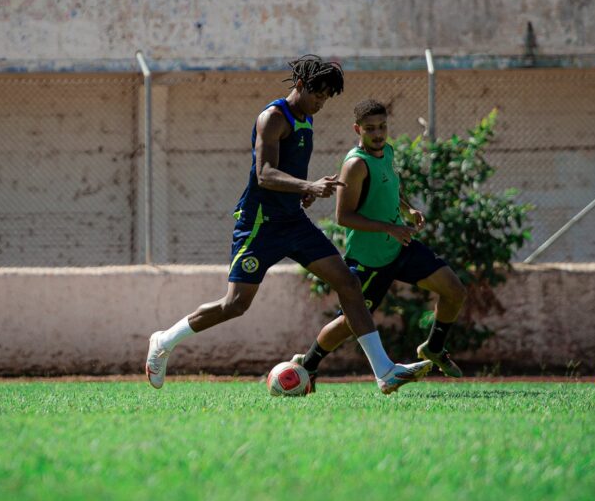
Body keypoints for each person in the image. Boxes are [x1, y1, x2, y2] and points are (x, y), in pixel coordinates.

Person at [145, 57, 433, 394]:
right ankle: (164, 341)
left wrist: (301, 195)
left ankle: (384, 372)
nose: (320, 103)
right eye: (316, 95)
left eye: (326, 98)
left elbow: (287, 172)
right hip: (259, 226)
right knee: (235, 305)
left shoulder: (306, 119)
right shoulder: (273, 118)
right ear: (299, 85)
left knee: (348, 283)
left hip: (293, 222)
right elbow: (265, 173)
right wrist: (307, 186)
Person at [292, 98, 467, 389]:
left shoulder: (386, 152)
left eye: (383, 127)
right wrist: (390, 227)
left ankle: (434, 347)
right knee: (349, 323)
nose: (378, 134)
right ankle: (308, 365)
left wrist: (407, 210)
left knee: (455, 291)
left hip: (399, 246)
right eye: (370, 128)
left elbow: (388, 189)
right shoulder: (355, 165)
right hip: (369, 259)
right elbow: (344, 216)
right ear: (357, 129)